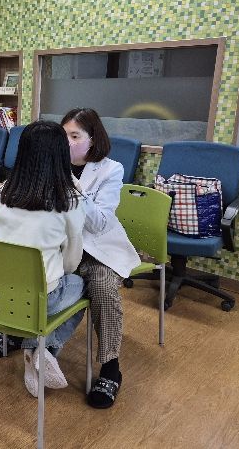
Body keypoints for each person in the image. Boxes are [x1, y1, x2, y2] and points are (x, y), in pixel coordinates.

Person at [0, 121, 86, 397]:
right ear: (61, 155)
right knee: (82, 286)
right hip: (39, 297)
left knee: (43, 290)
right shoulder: (69, 199)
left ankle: (35, 349)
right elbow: (71, 261)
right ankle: (43, 348)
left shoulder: (5, 192)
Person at [62, 108, 140, 409]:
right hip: (62, 245)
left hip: (98, 249)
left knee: (103, 288)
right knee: (31, 267)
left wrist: (72, 186)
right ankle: (21, 336)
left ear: (92, 139)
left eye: (75, 136)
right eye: (63, 135)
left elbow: (99, 224)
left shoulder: (111, 170)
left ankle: (110, 367)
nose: (67, 142)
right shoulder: (53, 164)